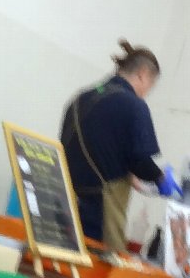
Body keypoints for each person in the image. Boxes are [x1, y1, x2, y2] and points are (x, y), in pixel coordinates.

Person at [59, 39, 177, 252]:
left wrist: (132, 178)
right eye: (150, 86)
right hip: (100, 215)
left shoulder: (80, 99)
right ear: (142, 74)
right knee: (102, 264)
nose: (146, 93)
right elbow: (139, 160)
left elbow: (102, 150)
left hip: (63, 206)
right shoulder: (134, 105)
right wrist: (160, 178)